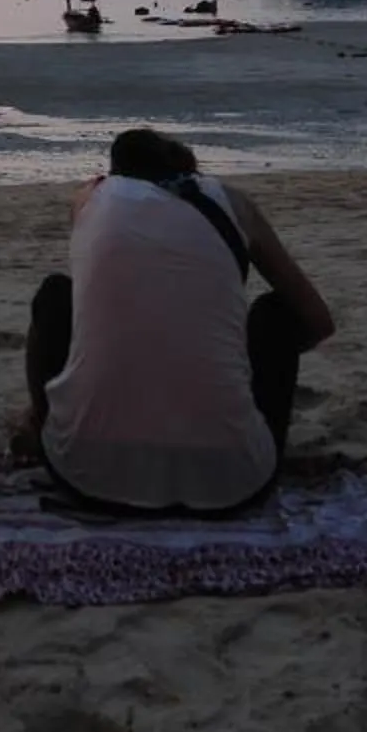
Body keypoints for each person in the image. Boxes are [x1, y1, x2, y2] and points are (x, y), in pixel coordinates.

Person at [23, 129, 337, 514]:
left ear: (114, 170)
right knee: (275, 314)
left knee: (57, 295)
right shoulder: (233, 203)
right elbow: (318, 322)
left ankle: (39, 423)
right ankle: (233, 428)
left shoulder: (90, 198)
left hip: (85, 474)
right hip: (235, 484)